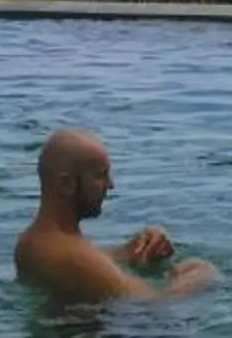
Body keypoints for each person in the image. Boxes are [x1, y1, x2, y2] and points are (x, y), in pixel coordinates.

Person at [14, 127, 218, 302]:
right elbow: (155, 306)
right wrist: (198, 276)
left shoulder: (34, 241)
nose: (110, 185)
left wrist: (130, 250)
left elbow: (88, 264)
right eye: (100, 175)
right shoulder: (74, 257)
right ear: (66, 183)